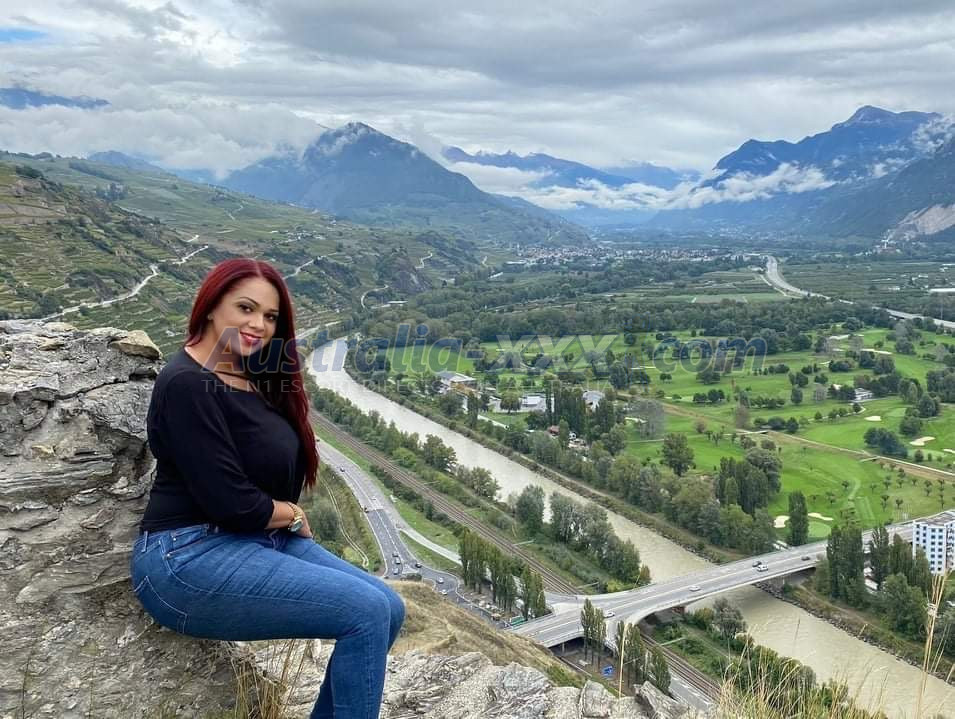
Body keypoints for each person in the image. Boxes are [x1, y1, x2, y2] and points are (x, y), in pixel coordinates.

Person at [130, 258, 404, 719]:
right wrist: (291, 514)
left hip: (256, 539)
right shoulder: (186, 383)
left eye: (271, 316)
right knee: (365, 611)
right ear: (211, 306)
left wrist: (279, 515)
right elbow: (231, 503)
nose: (258, 324)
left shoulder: (250, 372)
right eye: (246, 308)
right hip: (188, 557)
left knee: (389, 607)